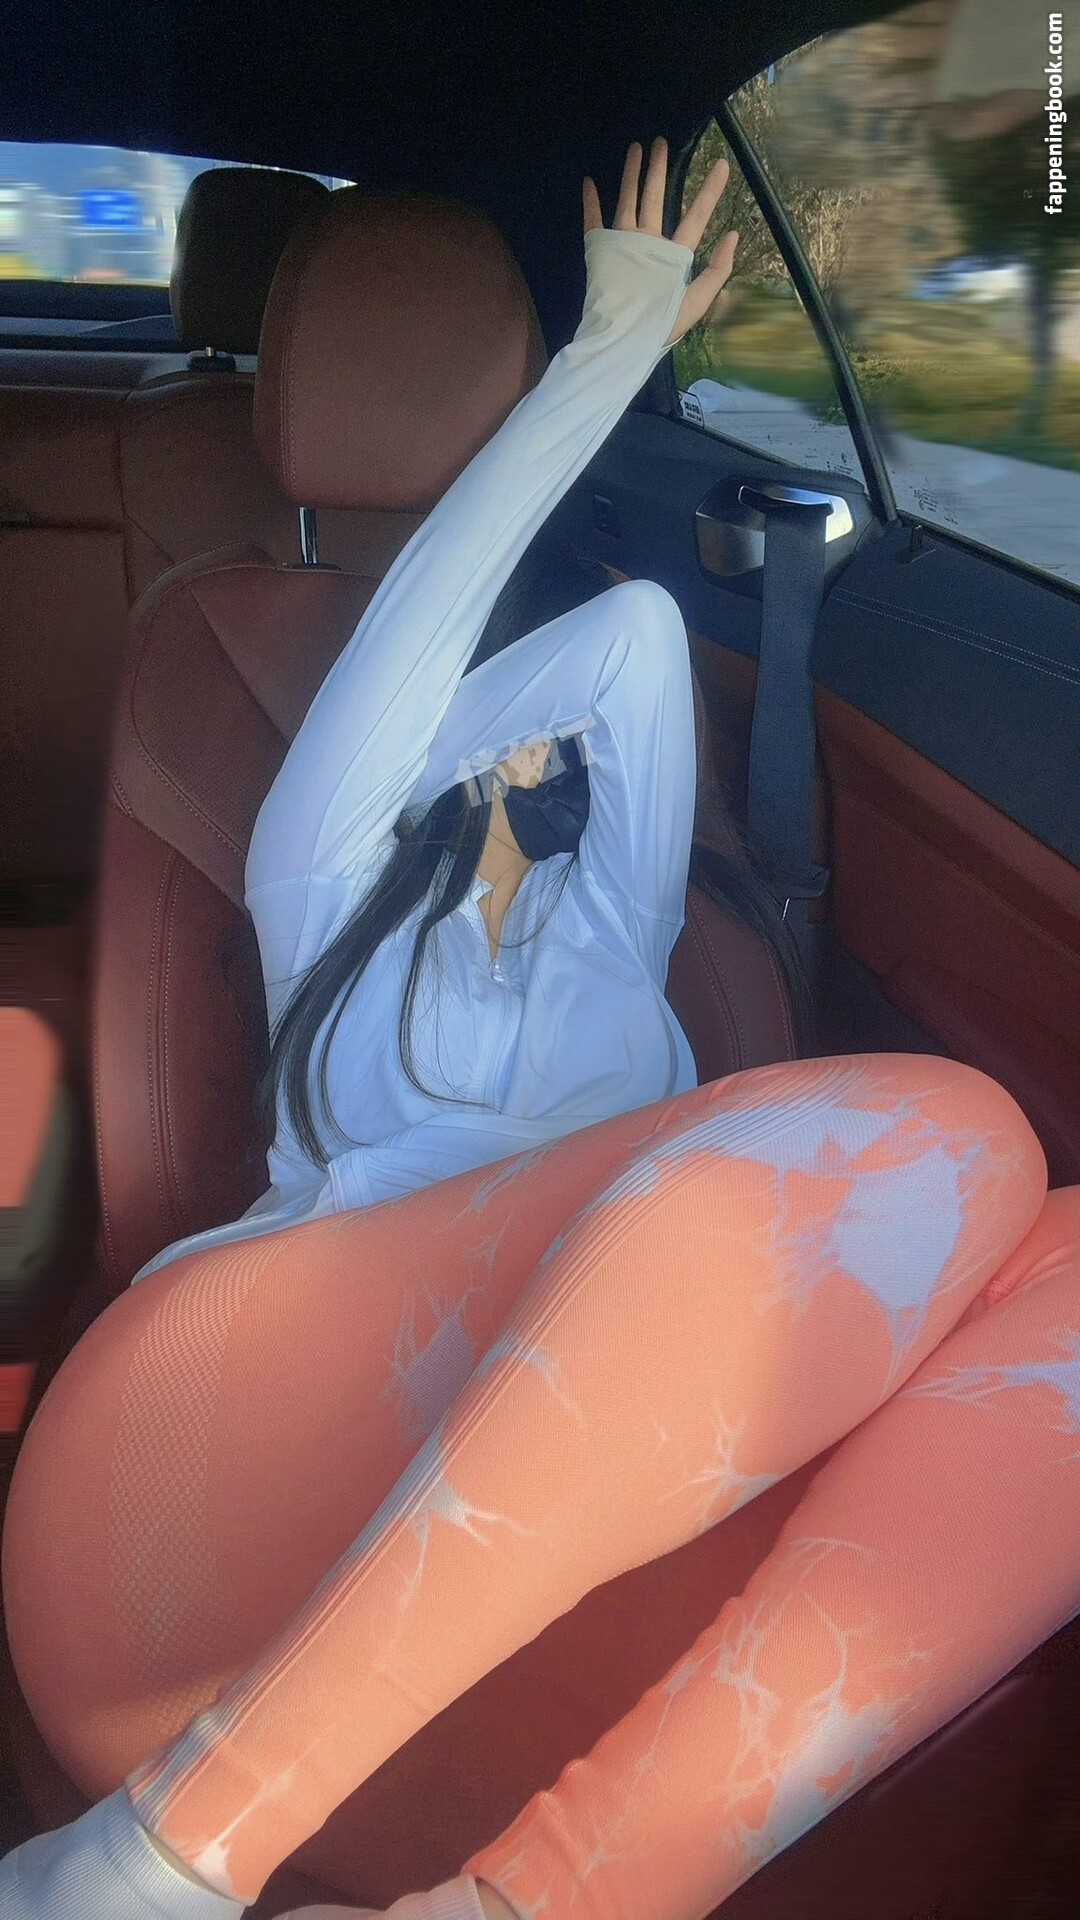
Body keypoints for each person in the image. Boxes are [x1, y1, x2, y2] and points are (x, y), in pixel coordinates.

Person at [2, 137, 1079, 1920]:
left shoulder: (619, 933)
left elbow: (639, 638)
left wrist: (528, 787)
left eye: (545, 755)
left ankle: (533, 1903)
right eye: (499, 747)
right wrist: (599, 359)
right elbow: (426, 636)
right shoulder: (320, 868)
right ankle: (154, 1856)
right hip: (232, 1423)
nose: (536, 768)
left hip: (543, 1500)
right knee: (962, 1134)